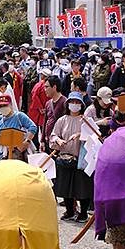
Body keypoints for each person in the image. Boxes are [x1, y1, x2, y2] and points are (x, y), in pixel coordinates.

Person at [50, 92, 93, 222]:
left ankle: (83, 212)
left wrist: (81, 134)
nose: (74, 105)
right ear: (67, 104)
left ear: (82, 104)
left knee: (82, 187)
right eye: (72, 102)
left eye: (77, 102)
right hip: (65, 157)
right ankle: (69, 211)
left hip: (81, 158)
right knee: (65, 186)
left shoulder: (85, 120)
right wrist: (58, 140)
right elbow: (54, 135)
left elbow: (93, 135)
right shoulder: (62, 120)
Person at [0, 95, 37, 161]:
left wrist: (27, 141)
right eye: (1, 106)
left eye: (5, 105)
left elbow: (33, 127)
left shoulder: (19, 116)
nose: (3, 108)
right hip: (2, 151)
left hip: (18, 151)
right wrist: (6, 142)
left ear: (11, 105)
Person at [43, 76, 67, 152]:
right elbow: (45, 122)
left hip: (59, 143)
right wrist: (42, 140)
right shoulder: (48, 103)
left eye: (47, 87)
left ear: (54, 87)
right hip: (48, 141)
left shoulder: (64, 102)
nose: (45, 90)